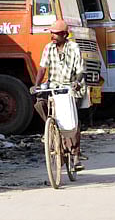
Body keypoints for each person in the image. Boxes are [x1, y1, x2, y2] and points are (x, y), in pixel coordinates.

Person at [30, 19, 85, 171]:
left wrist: (76, 82)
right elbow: (42, 69)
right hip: (54, 87)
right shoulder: (48, 48)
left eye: (55, 34)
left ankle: (75, 156)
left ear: (64, 35)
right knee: (39, 103)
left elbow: (81, 70)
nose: (52, 36)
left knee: (71, 120)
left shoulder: (74, 48)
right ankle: (51, 129)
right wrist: (37, 85)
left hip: (71, 87)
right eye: (52, 33)